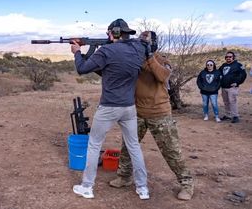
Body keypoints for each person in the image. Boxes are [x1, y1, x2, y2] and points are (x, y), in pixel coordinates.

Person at [109, 31, 194, 201]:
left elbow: (162, 76)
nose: (141, 43)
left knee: (171, 150)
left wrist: (149, 55)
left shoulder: (161, 59)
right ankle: (124, 177)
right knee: (127, 147)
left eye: (146, 41)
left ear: (153, 43)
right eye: (140, 40)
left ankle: (187, 183)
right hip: (137, 112)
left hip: (159, 114)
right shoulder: (133, 59)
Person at [71, 19, 150, 200]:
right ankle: (142, 188)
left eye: (109, 33)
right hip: (129, 107)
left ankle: (87, 186)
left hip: (108, 107)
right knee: (134, 147)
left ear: (113, 33)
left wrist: (77, 52)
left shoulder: (107, 51)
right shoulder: (139, 49)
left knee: (94, 145)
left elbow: (82, 68)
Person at [218, 51, 247, 123]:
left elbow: (243, 75)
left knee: (232, 101)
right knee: (226, 102)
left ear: (233, 57)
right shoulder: (223, 65)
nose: (228, 58)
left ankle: (235, 116)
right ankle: (228, 115)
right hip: (224, 87)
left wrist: (237, 83)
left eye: (230, 57)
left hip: (232, 87)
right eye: (227, 57)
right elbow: (218, 74)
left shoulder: (238, 65)